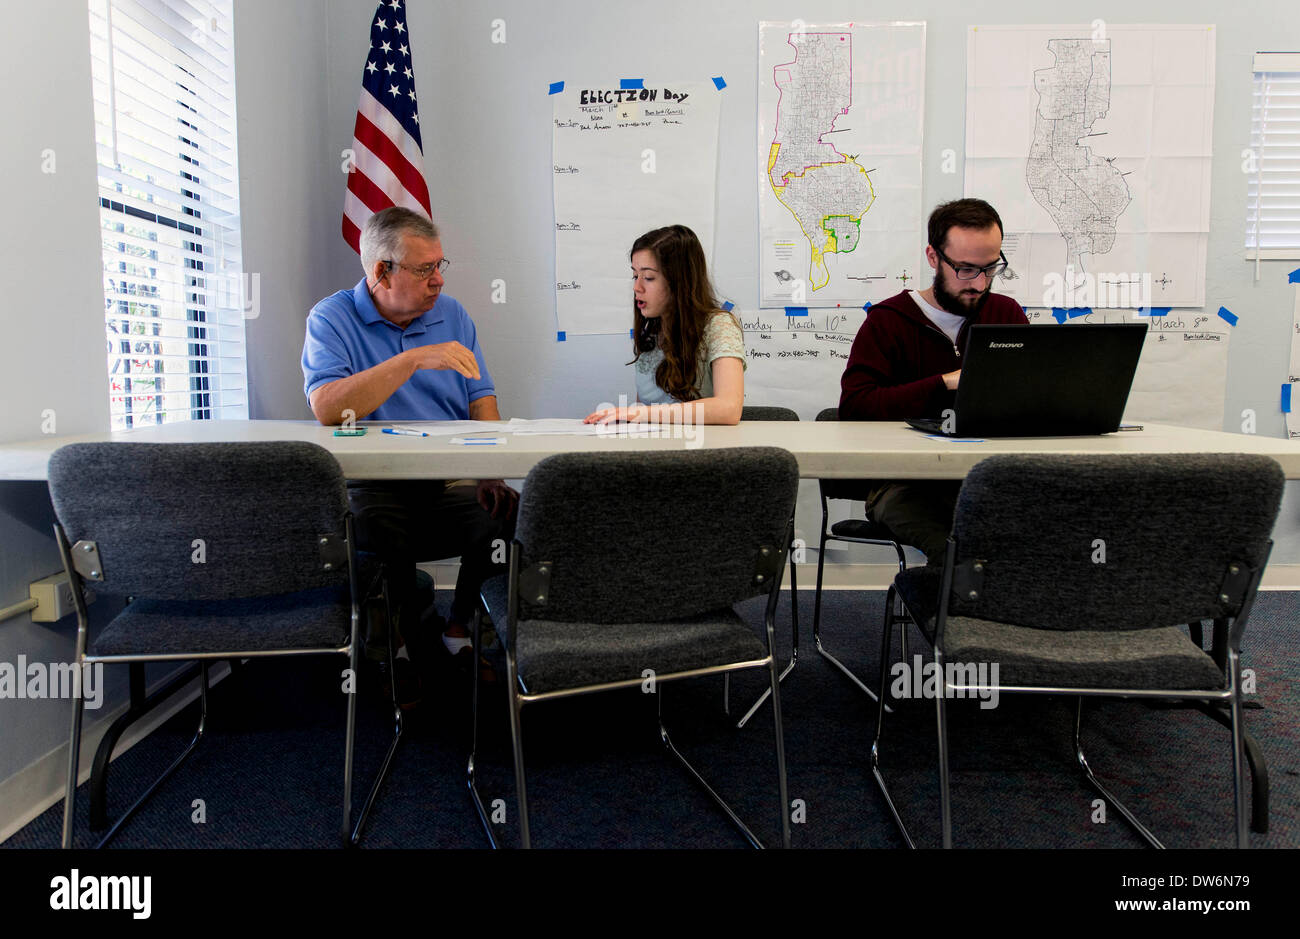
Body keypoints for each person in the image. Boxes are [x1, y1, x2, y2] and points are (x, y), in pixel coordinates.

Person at [302, 206, 517, 691]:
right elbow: (328, 408)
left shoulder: (453, 314)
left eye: (441, 266)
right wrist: (413, 359)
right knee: (378, 526)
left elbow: (482, 400)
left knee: (506, 515)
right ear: (382, 271)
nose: (438, 280)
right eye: (425, 269)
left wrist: (491, 471)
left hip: (448, 480)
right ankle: (404, 643)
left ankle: (460, 630)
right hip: (374, 484)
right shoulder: (331, 318)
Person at [839, 198, 1028, 563]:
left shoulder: (1005, 314)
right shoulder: (888, 321)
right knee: (959, 551)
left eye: (991, 268)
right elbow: (856, 408)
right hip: (904, 483)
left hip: (988, 479)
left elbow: (1030, 399)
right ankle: (950, 613)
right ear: (933, 257)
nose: (980, 283)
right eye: (966, 269)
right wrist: (944, 383)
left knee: (1040, 532)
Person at [584, 225, 745, 425]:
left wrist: (640, 414)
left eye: (649, 277)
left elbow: (728, 409)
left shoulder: (719, 325)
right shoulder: (651, 331)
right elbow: (644, 414)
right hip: (656, 450)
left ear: (680, 281)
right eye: (635, 276)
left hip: (703, 450)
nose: (637, 287)